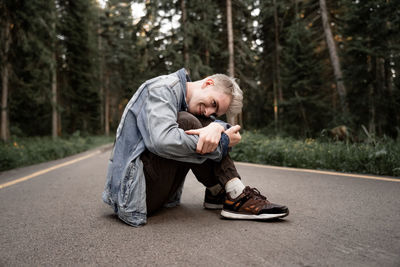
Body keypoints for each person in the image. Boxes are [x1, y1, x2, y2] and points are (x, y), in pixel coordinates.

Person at [102, 68, 289, 227]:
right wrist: (222, 141)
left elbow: (213, 124)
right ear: (207, 83)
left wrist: (217, 127)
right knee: (187, 121)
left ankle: (217, 192)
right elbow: (162, 141)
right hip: (132, 197)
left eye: (215, 112)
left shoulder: (191, 103)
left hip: (158, 192)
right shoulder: (162, 88)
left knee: (201, 123)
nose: (209, 111)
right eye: (213, 103)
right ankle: (234, 194)